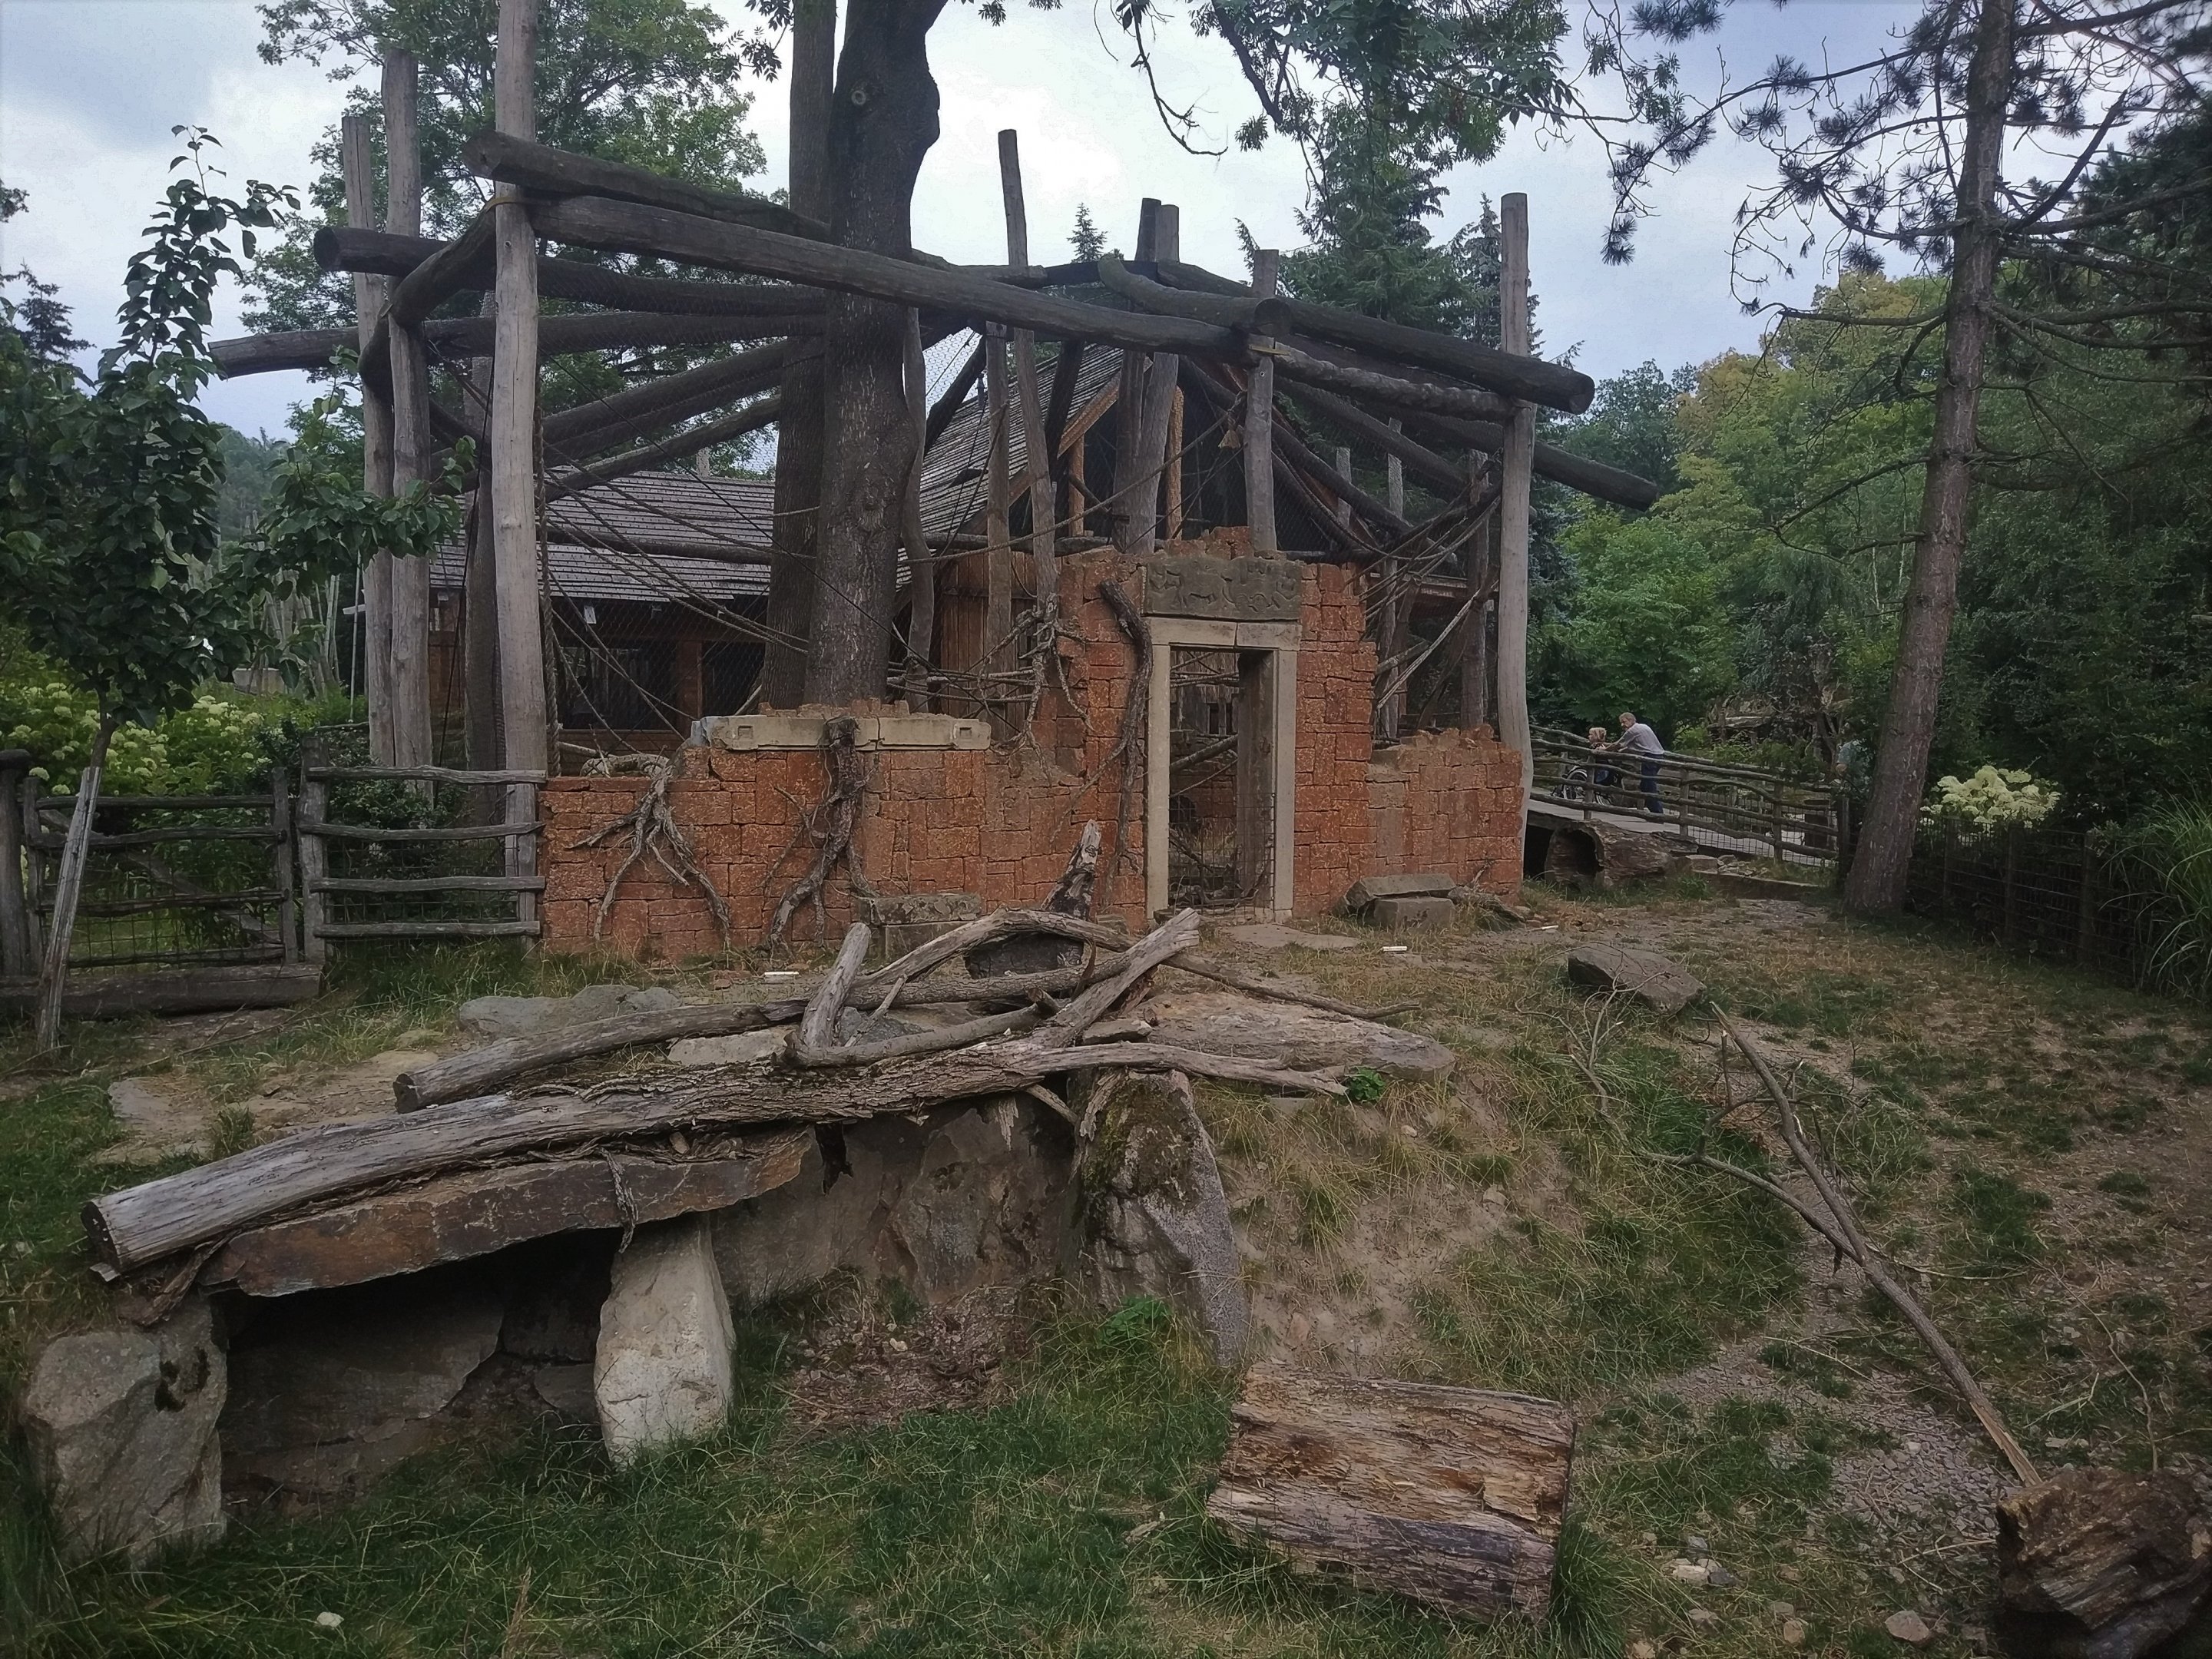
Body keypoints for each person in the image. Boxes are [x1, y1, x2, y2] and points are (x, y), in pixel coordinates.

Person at [1618, 710, 1664, 818]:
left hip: (1650, 758)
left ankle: (1658, 814)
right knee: (1645, 785)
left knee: (1649, 786)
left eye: (1624, 722)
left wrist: (1605, 750)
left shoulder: (1632, 731)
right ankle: (1654, 811)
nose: (1622, 725)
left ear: (1630, 720)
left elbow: (1618, 744)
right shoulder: (1643, 727)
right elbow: (1636, 745)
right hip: (1658, 756)